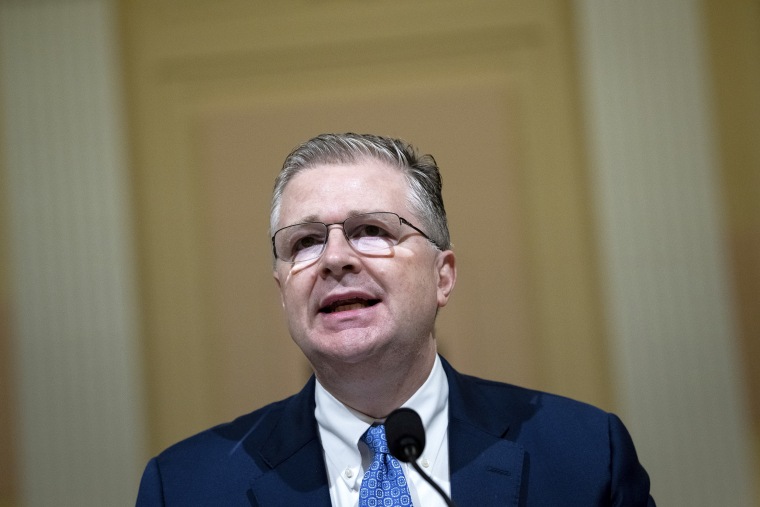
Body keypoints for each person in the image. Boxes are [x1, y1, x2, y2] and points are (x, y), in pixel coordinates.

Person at [136, 133, 655, 506]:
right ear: (282, 290)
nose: (335, 258)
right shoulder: (185, 486)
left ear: (442, 277)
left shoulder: (584, 453)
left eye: (371, 230)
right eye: (305, 241)